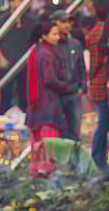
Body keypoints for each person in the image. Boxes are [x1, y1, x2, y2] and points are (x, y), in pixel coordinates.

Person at [27, 21, 74, 178]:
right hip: (47, 101)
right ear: (44, 36)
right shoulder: (47, 54)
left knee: (37, 138)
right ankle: (45, 168)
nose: (57, 37)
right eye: (54, 34)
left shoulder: (36, 51)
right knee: (48, 137)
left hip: (36, 101)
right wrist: (67, 86)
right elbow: (50, 80)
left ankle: (35, 167)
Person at [86, 0, 109, 171]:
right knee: (104, 121)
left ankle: (99, 157)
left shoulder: (96, 30)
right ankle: (98, 159)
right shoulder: (101, 32)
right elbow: (97, 60)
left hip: (99, 82)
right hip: (101, 82)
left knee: (104, 121)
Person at [53, 10, 87, 142]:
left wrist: (82, 87)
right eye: (63, 22)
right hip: (57, 94)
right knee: (59, 132)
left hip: (74, 93)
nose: (67, 25)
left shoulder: (75, 44)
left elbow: (81, 67)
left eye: (68, 22)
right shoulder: (51, 45)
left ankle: (73, 161)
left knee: (75, 133)